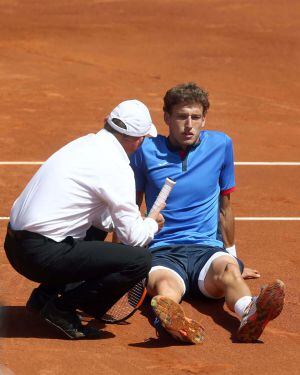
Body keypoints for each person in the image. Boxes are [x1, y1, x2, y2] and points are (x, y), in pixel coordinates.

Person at [130, 83, 285, 344]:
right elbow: (131, 207)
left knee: (229, 272)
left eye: (195, 117)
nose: (189, 124)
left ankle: (250, 312)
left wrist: (234, 257)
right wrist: (123, 259)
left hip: (207, 250)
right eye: (181, 117)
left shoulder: (221, 145)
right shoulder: (145, 151)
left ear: (204, 119)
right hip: (163, 250)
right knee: (165, 286)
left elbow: (225, 207)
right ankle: (173, 323)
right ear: (167, 118)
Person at [4, 99, 165, 340]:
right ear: (138, 139)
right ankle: (63, 309)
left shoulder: (82, 145)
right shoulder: (118, 167)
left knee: (97, 227)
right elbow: (134, 239)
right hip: (39, 257)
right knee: (140, 260)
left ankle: (45, 297)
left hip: (14, 247)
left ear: (107, 123)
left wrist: (130, 221)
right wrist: (151, 223)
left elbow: (102, 221)